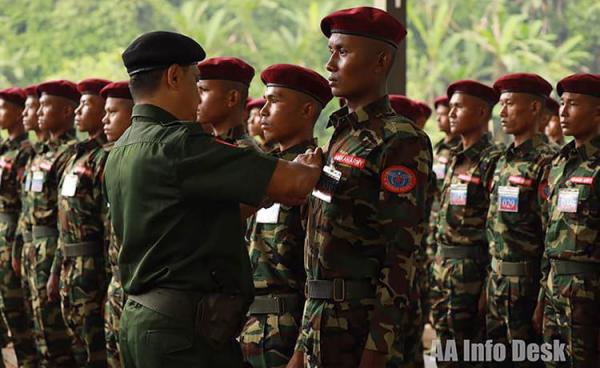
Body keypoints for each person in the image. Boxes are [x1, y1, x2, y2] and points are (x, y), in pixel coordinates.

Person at [103, 31, 323, 368]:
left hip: (144, 322)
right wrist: (310, 165)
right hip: (183, 335)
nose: (197, 95)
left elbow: (196, 217)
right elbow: (294, 185)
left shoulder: (123, 147)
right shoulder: (179, 144)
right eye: (196, 82)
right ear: (174, 76)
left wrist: (260, 195)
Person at [287, 7, 433, 368]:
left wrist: (378, 347)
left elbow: (401, 256)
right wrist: (302, 346)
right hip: (322, 320)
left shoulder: (400, 140)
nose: (330, 65)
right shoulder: (341, 136)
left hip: (361, 326)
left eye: (342, 52)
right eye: (330, 52)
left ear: (381, 61)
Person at [240, 63, 331, 368]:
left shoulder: (318, 174)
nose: (263, 111)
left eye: (274, 101)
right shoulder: (267, 169)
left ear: (307, 110)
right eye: (264, 100)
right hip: (250, 325)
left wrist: (304, 346)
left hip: (288, 330)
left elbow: (319, 270)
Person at [485, 73, 556, 367]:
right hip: (496, 281)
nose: (502, 113)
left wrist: (544, 297)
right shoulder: (502, 160)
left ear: (535, 108)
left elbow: (551, 236)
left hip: (527, 286)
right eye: (500, 105)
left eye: (510, 104)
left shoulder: (548, 160)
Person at [430, 80, 502, 367]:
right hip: (444, 268)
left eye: (459, 107)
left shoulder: (492, 160)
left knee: (471, 353)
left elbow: (497, 228)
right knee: (445, 350)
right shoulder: (455, 158)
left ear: (482, 112)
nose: (451, 113)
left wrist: (488, 282)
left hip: (472, 271)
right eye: (452, 107)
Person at [534, 73, 600, 367]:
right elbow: (550, 233)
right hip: (554, 290)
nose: (562, 111)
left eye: (572, 104)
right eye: (561, 103)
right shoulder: (559, 163)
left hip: (589, 296)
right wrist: (541, 298)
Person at [47, 78, 111, 367]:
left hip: (93, 269)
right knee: (76, 348)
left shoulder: (104, 159)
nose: (78, 111)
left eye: (87, 105)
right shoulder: (77, 155)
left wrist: (108, 282)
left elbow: (109, 227)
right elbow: (64, 221)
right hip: (70, 265)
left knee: (96, 352)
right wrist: (56, 269)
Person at [29, 80, 80, 366]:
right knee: (39, 332)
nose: (37, 112)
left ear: (65, 111)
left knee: (58, 336)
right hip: (32, 247)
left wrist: (57, 266)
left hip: (53, 249)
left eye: (45, 105)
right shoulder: (42, 153)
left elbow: (66, 217)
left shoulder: (70, 153)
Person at [0, 87, 39, 367]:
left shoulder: (26, 153)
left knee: (21, 316)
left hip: (14, 237)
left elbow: (26, 203)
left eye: (3, 108)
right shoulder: (4, 150)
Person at [14, 84, 47, 362]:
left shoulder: (69, 155)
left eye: (33, 107)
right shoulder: (35, 154)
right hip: (28, 248)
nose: (28, 113)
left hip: (54, 255)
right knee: (32, 329)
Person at [196, 56, 259, 149]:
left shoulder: (241, 152)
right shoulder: (213, 143)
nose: (197, 98)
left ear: (232, 98)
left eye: (204, 90)